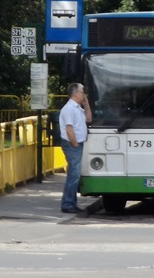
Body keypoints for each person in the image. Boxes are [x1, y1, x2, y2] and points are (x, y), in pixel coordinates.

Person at [58, 82, 92, 214]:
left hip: (77, 144)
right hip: (72, 145)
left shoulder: (78, 108)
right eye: (83, 92)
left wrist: (87, 104)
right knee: (73, 175)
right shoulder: (69, 109)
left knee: (75, 175)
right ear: (76, 93)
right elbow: (69, 129)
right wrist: (75, 144)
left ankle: (72, 203)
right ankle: (67, 204)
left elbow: (88, 119)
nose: (84, 95)